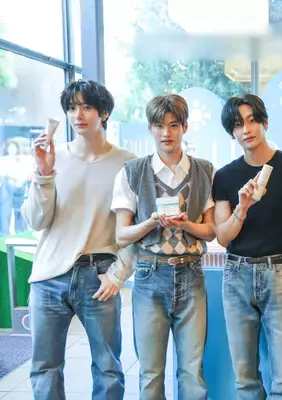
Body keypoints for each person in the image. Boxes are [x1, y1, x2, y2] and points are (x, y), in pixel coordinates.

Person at [22, 80, 136, 400]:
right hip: (48, 277)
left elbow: (137, 228)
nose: (78, 115)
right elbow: (36, 220)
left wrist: (119, 273)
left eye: (86, 107)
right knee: (45, 368)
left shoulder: (127, 163)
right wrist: (44, 174)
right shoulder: (52, 156)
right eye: (72, 108)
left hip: (99, 275)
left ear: (104, 113)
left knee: (108, 368)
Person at [111, 94, 215, 399]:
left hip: (192, 275)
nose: (166, 133)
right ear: (150, 128)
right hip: (149, 275)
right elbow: (121, 235)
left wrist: (186, 225)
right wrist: (151, 223)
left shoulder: (204, 171)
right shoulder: (132, 172)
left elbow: (211, 232)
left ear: (185, 127)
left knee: (192, 371)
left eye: (173, 125)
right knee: (151, 372)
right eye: (159, 125)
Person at [213, 94, 282, 399]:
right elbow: (223, 237)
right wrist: (242, 208)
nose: (246, 129)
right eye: (237, 124)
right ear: (232, 132)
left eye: (252, 120)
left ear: (265, 122)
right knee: (245, 377)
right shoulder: (225, 176)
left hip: (278, 271)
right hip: (236, 275)